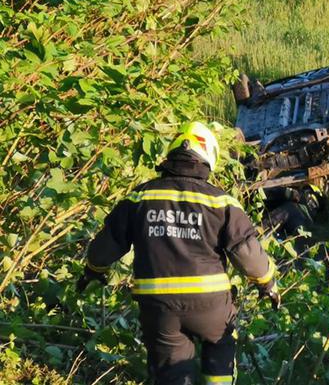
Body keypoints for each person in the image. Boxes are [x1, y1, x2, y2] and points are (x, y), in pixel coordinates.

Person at [76, 121, 279, 385]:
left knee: (171, 374)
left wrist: (93, 270)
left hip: (159, 307)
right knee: (220, 351)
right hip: (211, 307)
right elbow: (248, 253)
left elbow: (110, 241)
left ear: (172, 154)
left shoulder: (140, 198)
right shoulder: (221, 202)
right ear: (208, 159)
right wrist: (268, 284)